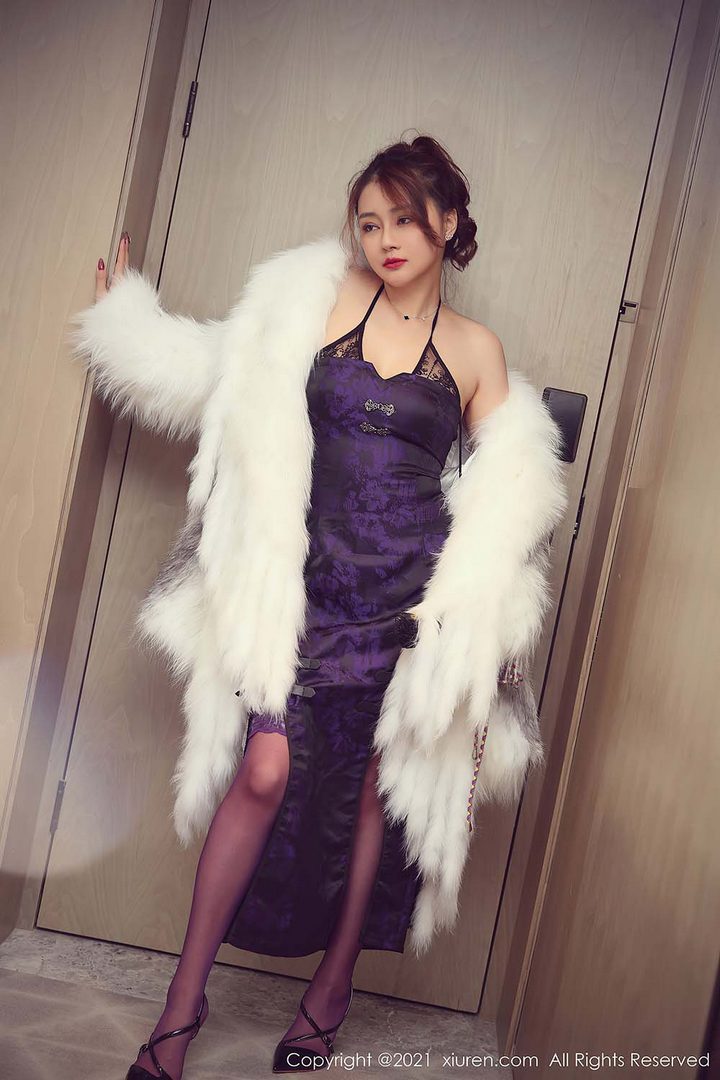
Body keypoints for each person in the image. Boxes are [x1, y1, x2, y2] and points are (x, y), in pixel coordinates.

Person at [71, 134, 566, 1078]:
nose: (385, 239)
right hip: (298, 588)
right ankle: (180, 1007)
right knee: (264, 771)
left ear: (448, 222)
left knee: (375, 795)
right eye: (369, 223)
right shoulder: (318, 298)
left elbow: (512, 495)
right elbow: (219, 371)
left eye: (404, 219)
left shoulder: (475, 351)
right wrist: (125, 325)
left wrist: (487, 617)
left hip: (404, 602)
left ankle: (329, 993)